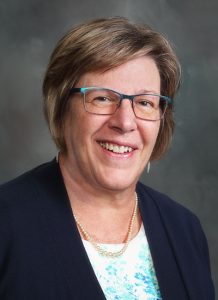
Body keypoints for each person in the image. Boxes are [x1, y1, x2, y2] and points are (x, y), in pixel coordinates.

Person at [0, 17, 214, 300]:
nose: (125, 122)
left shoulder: (185, 229)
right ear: (62, 106)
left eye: (145, 102)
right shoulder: (6, 224)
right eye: (102, 98)